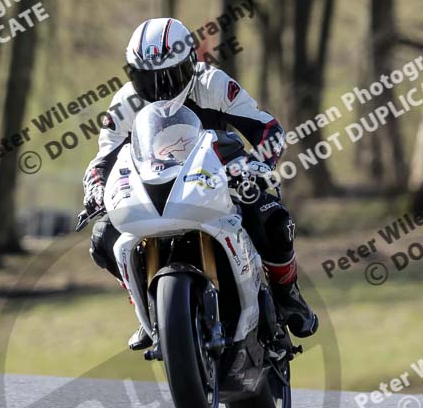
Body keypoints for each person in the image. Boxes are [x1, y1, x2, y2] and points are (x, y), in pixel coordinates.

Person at [82, 17, 318, 350]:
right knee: (102, 238)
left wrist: (257, 165)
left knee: (274, 220)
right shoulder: (124, 105)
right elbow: (102, 160)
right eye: (147, 80)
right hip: (152, 188)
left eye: (169, 76)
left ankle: (287, 294)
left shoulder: (213, 84)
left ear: (190, 64)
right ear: (133, 76)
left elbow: (268, 130)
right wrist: (94, 189)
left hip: (220, 180)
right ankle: (147, 311)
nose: (161, 88)